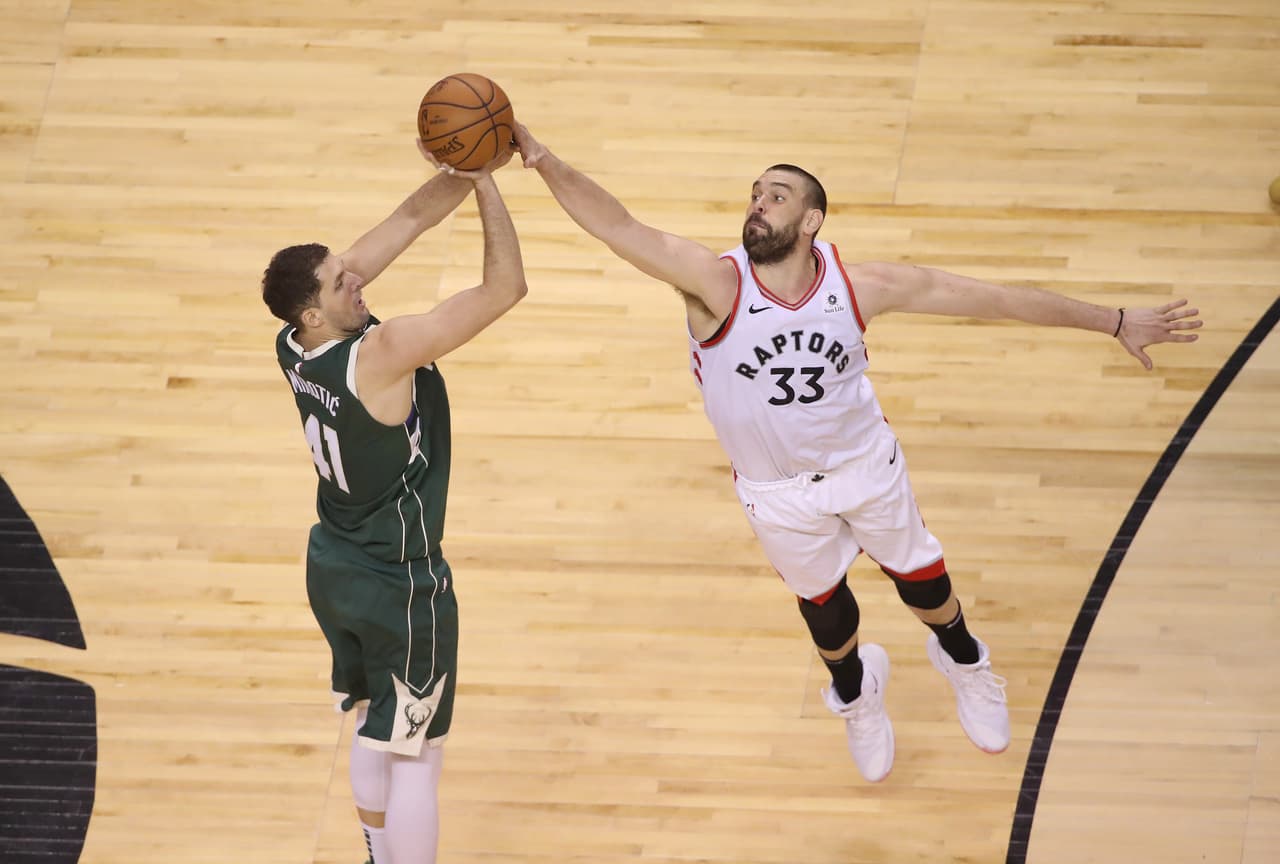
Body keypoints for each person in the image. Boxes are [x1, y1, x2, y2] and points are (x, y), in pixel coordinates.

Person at [507, 123, 1201, 783]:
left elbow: (993, 300)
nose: (758, 204)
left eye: (777, 196)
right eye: (754, 194)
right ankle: (856, 692)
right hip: (777, 492)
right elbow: (618, 226)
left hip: (864, 464)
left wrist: (1112, 321)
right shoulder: (715, 284)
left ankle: (965, 661)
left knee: (922, 580)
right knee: (827, 611)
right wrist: (541, 159)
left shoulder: (859, 286)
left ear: (811, 221)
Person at [260, 141, 527, 863]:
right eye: (340, 282)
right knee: (417, 749)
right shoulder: (380, 354)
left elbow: (409, 217)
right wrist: (490, 188)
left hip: (335, 565)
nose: (356, 278)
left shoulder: (294, 343)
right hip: (399, 583)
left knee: (376, 718)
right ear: (315, 313)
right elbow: (503, 291)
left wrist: (463, 168)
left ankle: (378, 851)